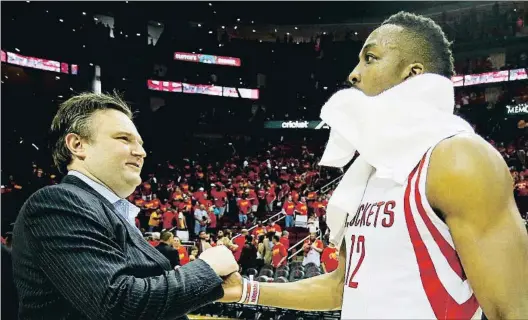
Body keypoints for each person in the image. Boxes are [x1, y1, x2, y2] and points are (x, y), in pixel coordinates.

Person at [218, 12, 528, 320]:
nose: (353, 74)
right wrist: (246, 290)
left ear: (413, 73)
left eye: (370, 58)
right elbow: (342, 288)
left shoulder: (458, 158)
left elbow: (512, 310)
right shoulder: (368, 170)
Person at [11, 92, 241, 320]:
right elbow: (118, 304)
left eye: (140, 143)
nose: (141, 152)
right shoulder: (57, 203)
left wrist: (212, 287)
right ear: (78, 144)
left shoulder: (105, 210)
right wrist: (207, 268)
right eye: (124, 138)